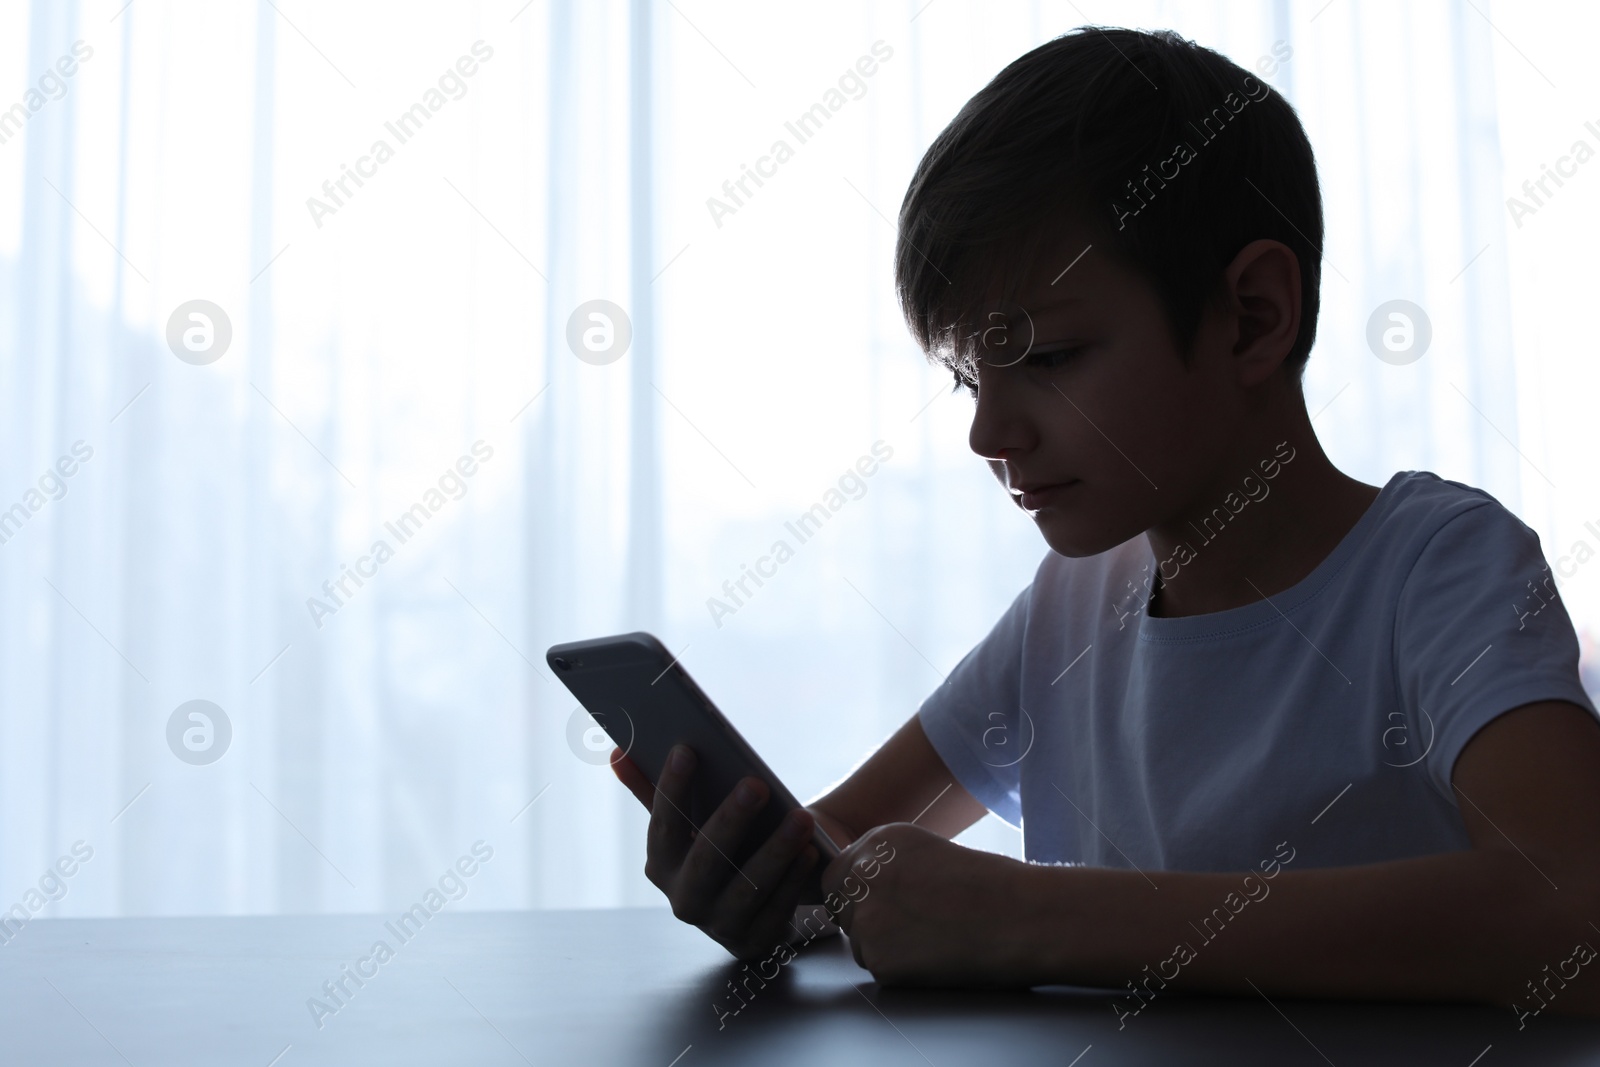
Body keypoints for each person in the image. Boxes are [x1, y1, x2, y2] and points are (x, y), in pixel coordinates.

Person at [612, 27, 1600, 1019]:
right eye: (966, 377)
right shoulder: (1073, 606)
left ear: (1252, 317)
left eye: (1047, 357)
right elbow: (838, 850)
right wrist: (762, 893)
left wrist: (1033, 917)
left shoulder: (1436, 571)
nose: (989, 431)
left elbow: (1577, 910)